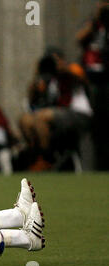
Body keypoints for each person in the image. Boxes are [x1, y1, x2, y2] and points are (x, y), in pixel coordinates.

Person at [18, 49, 93, 171]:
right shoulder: (48, 79)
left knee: (42, 117)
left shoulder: (73, 68)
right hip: (55, 114)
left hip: (78, 114)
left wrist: (62, 69)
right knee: (25, 120)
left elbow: (82, 79)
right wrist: (37, 75)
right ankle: (37, 157)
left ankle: (47, 159)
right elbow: (32, 100)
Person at [76, 1, 109, 170]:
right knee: (98, 125)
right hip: (93, 81)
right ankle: (100, 165)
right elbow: (80, 38)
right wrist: (97, 20)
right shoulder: (93, 23)